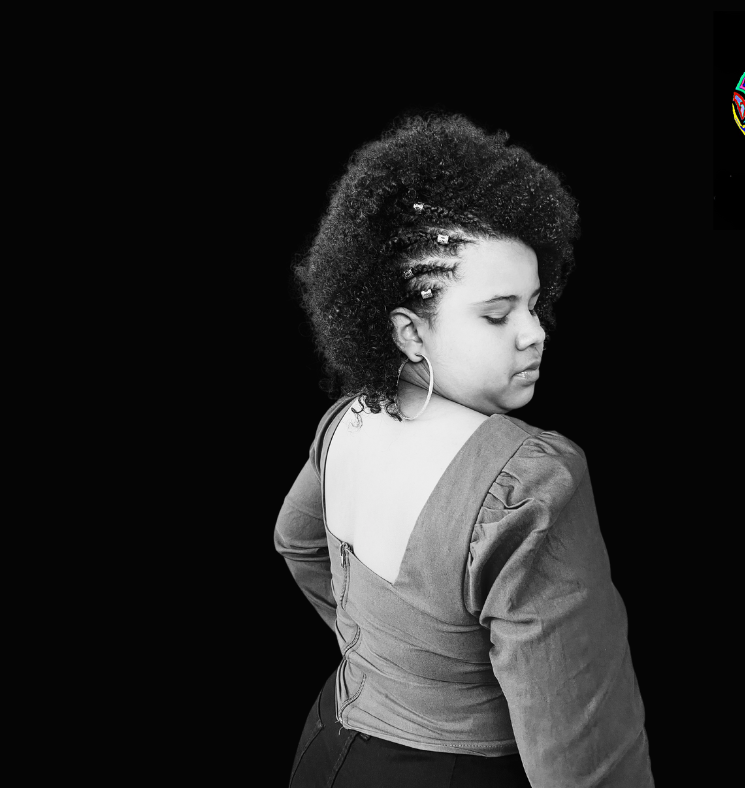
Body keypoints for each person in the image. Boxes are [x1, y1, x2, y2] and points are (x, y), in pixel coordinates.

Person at [274, 113, 654, 787]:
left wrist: (400, 668)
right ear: (409, 333)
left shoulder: (346, 422)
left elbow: (295, 542)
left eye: (534, 304)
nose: (535, 332)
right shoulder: (529, 485)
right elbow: (587, 768)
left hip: (325, 750)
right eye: (497, 314)